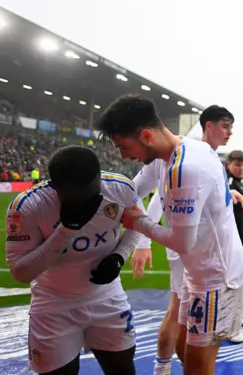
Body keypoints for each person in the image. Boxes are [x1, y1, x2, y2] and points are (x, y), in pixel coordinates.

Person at [95, 95, 243, 375]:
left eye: (124, 147)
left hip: (216, 276)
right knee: (183, 351)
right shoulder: (170, 153)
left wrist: (138, 223)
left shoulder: (184, 168)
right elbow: (130, 191)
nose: (124, 156)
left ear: (145, 135)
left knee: (198, 367)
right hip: (197, 272)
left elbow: (181, 242)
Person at [5, 145, 142, 375]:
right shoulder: (27, 206)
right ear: (54, 186)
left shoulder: (120, 188)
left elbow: (137, 225)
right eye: (75, 196)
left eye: (92, 192)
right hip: (53, 305)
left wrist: (120, 256)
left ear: (99, 176)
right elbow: (21, 272)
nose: (87, 201)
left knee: (123, 370)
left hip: (107, 297)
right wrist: (66, 230)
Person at [225, 150, 243, 248]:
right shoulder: (229, 183)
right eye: (237, 165)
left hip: (238, 238)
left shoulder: (237, 182)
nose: (241, 169)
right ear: (228, 164)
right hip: (232, 240)